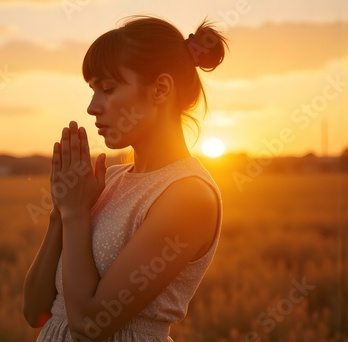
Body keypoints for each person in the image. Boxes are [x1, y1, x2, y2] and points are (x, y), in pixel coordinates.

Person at [23, 15, 227, 341]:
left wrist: (76, 215)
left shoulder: (188, 195)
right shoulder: (107, 182)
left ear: (160, 89)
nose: (92, 107)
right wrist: (61, 212)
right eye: (92, 90)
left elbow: (91, 326)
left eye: (108, 88)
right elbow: (36, 311)